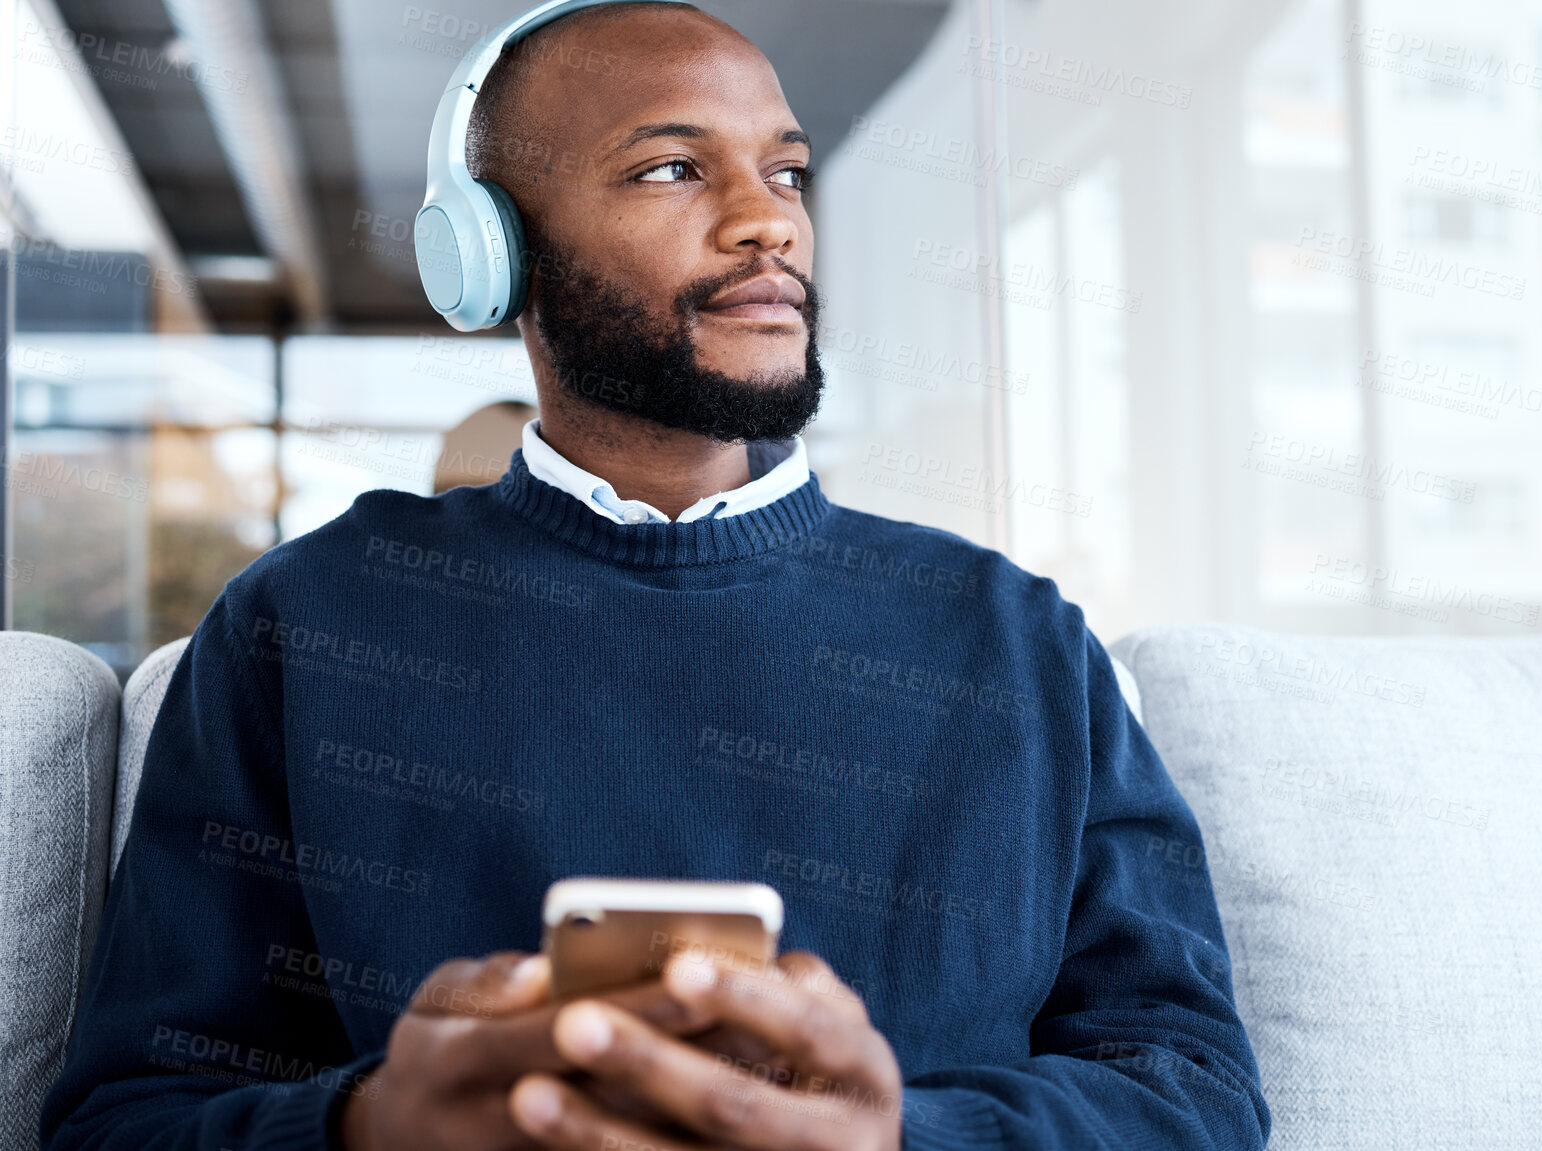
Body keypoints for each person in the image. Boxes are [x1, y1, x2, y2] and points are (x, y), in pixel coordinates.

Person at [42, 4, 1270, 1148]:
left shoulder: (1017, 638)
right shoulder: (306, 622)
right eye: (674, 168)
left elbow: (1194, 1086)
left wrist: (902, 1133)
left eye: (784, 171)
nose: (769, 221)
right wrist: (369, 1122)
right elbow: (124, 1113)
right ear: (496, 250)